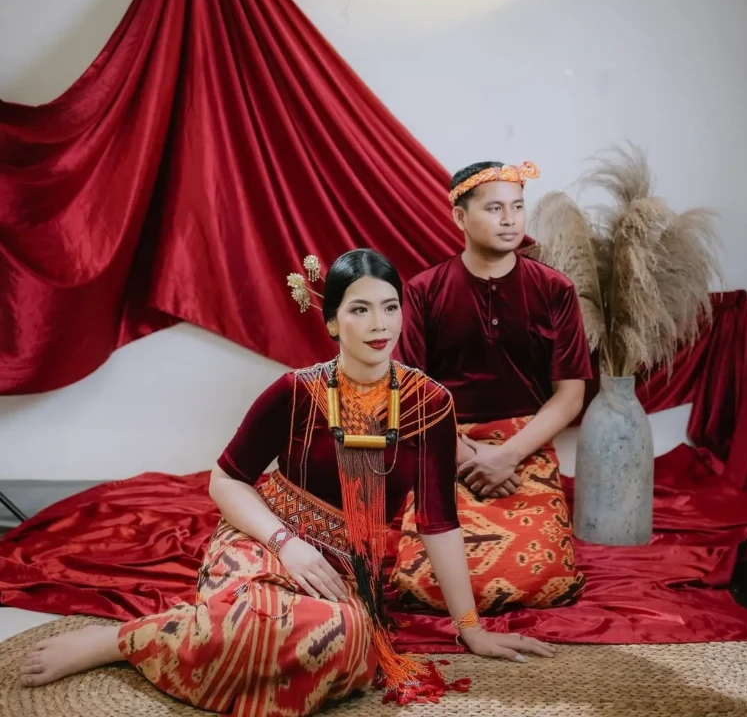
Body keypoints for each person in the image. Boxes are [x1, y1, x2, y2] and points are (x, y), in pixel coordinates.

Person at [21, 248, 555, 716]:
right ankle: (117, 641)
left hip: (345, 569)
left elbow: (438, 521)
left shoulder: (430, 404)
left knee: (346, 641)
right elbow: (226, 480)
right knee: (249, 619)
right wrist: (286, 543)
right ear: (332, 322)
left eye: (390, 307)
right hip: (264, 540)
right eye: (360, 309)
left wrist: (469, 627)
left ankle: (182, 636)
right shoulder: (295, 391)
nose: (380, 324)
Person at [392, 162, 591, 615]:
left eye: (517, 207)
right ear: (460, 217)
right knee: (424, 581)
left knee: (546, 578)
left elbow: (570, 396)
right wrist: (467, 456)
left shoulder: (555, 290)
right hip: (445, 445)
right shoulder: (423, 291)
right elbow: (409, 395)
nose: (509, 220)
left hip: (526, 447)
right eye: (495, 208)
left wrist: (506, 456)